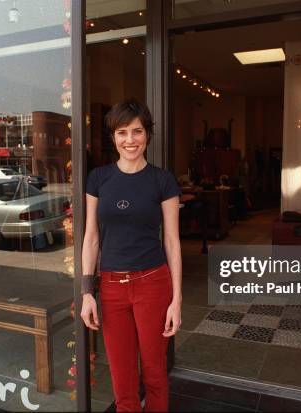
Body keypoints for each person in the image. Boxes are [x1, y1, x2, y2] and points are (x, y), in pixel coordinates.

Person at [80, 99, 182, 412]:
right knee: (121, 376)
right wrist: (86, 292)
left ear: (147, 135)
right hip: (111, 288)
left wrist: (176, 300)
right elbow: (91, 238)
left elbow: (171, 240)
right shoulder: (98, 179)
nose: (130, 140)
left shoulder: (162, 180)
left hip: (153, 283)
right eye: (122, 132)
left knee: (154, 372)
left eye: (137, 131)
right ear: (113, 137)